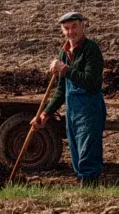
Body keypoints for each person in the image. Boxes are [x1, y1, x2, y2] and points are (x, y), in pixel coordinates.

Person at [32, 11, 106, 186]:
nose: (71, 32)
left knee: (88, 152)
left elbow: (90, 81)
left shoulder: (91, 49)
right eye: (66, 28)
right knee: (76, 151)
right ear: (62, 31)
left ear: (83, 26)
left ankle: (89, 188)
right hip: (72, 109)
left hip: (90, 108)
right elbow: (61, 89)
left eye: (74, 27)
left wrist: (64, 69)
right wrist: (46, 113)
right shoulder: (63, 54)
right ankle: (83, 185)